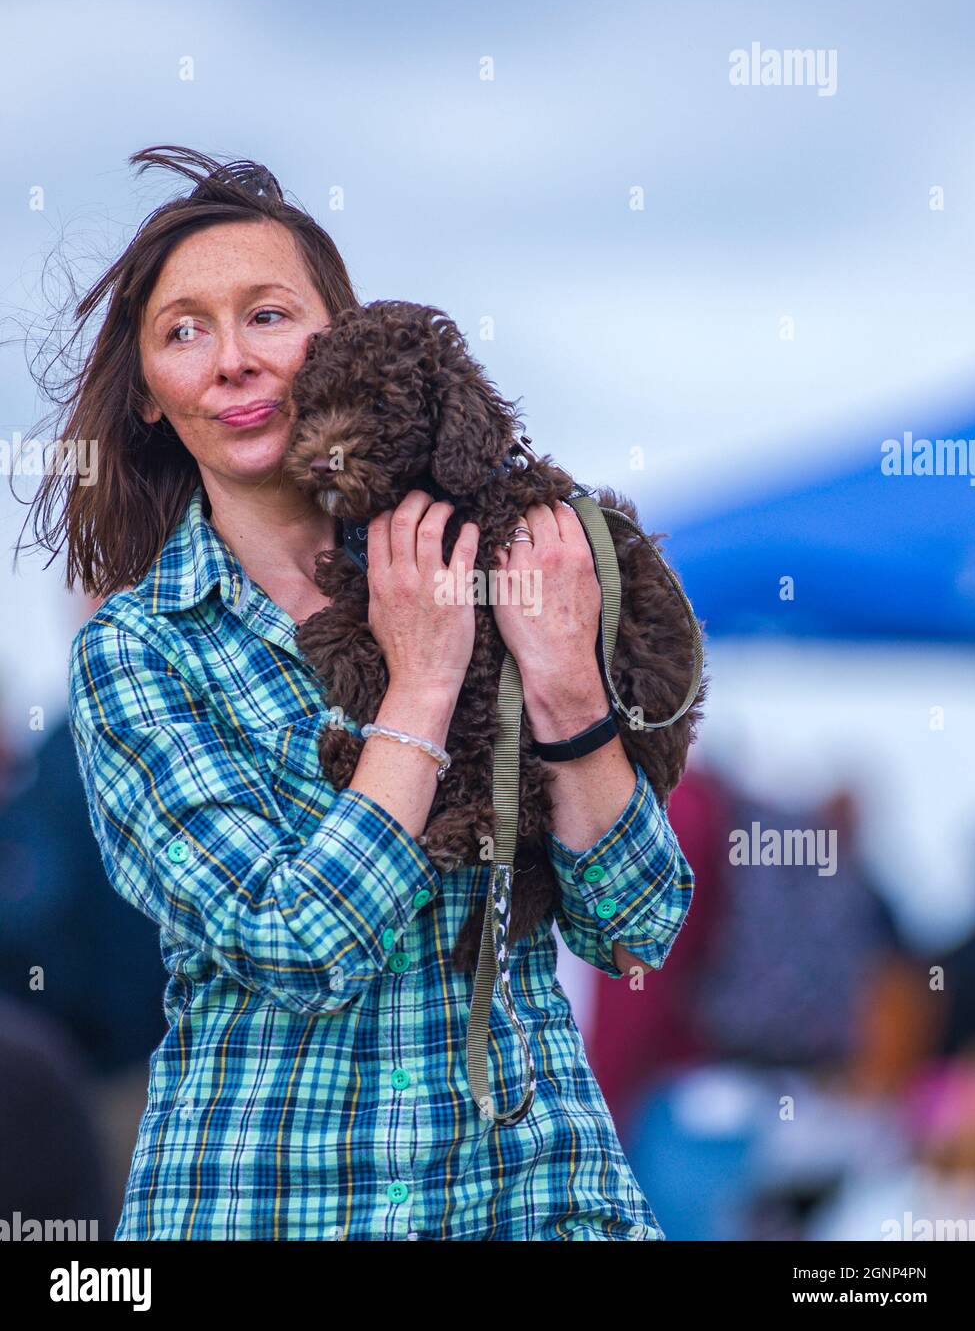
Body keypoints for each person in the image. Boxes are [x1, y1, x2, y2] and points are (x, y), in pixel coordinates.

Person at [22, 145, 695, 1241]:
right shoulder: (136, 654)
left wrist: (569, 689)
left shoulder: (502, 552)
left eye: (268, 315)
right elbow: (299, 945)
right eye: (184, 331)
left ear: (335, 338)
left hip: (533, 1189)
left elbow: (637, 926)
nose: (232, 359)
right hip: (274, 1199)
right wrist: (423, 680)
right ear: (149, 395)